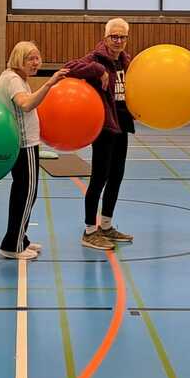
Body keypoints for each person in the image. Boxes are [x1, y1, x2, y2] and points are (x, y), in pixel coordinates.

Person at [65, 18, 135, 251]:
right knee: (99, 178)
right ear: (105, 38)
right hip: (104, 127)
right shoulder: (95, 59)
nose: (118, 41)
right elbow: (70, 67)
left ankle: (106, 225)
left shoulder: (127, 61)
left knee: (117, 176)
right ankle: (89, 231)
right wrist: (98, 70)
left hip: (123, 124)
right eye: (113, 36)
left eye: (122, 37)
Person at [0, 42, 68, 260]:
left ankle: (20, 237)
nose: (36, 63)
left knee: (24, 193)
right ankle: (13, 245)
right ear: (19, 59)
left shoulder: (15, 78)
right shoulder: (13, 80)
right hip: (23, 145)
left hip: (26, 144)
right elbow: (25, 104)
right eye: (31, 59)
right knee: (26, 193)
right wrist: (49, 84)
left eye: (38, 58)